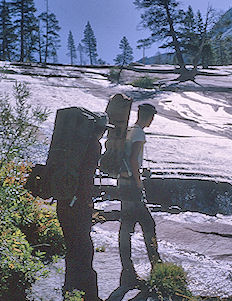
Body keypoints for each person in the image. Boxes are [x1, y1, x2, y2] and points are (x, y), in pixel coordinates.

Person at [56, 111, 112, 301]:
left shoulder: (73, 144)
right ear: (100, 130)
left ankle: (70, 289)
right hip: (79, 205)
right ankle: (89, 295)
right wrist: (89, 202)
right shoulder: (93, 146)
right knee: (84, 248)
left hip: (64, 200)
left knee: (72, 246)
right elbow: (87, 177)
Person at [117, 103, 161, 288]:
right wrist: (139, 182)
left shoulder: (128, 130)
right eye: (152, 117)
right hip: (131, 185)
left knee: (126, 226)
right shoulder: (139, 133)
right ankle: (156, 267)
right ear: (148, 117)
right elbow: (134, 159)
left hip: (122, 182)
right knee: (148, 223)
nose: (152, 121)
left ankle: (127, 271)